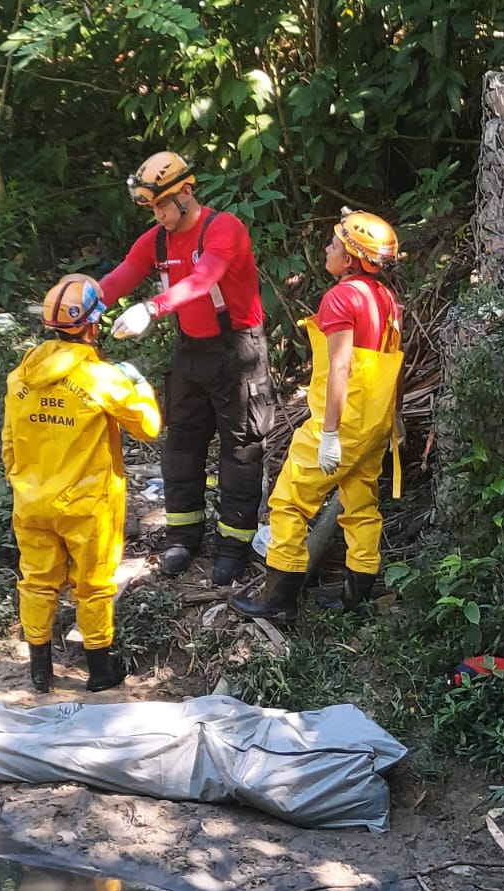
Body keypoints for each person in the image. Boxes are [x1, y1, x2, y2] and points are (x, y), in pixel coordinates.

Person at [100, 150, 275, 586]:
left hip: (237, 351)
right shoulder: (156, 240)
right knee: (181, 444)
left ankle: (234, 545)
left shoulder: (223, 229)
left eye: (163, 205)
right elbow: (122, 275)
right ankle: (183, 535)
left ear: (186, 192)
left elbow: (204, 280)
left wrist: (151, 308)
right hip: (190, 351)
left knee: (241, 448)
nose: (158, 215)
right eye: (152, 208)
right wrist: (76, 307)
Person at [232, 210, 403, 622]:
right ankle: (355, 598)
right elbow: (393, 359)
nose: (327, 248)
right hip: (373, 423)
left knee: (289, 503)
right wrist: (391, 419)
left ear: (350, 259)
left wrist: (328, 435)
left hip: (341, 422)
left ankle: (279, 601)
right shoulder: (385, 299)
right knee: (361, 506)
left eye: (334, 244)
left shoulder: (343, 298)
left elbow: (341, 367)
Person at [2, 273, 162, 693]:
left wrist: (24, 485)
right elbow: (149, 426)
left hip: (31, 502)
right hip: (87, 504)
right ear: (93, 326)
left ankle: (40, 672)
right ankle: (99, 671)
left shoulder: (20, 377)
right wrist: (139, 383)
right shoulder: (102, 379)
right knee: (92, 585)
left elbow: (8, 445)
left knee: (36, 581)